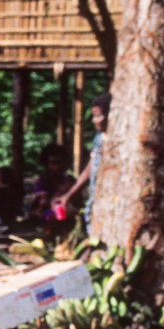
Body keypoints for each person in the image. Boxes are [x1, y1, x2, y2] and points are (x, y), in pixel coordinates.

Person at [57, 93, 109, 233]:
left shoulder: (117, 139)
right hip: (96, 195)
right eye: (93, 116)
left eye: (99, 116)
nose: (94, 121)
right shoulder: (99, 138)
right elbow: (91, 166)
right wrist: (70, 193)